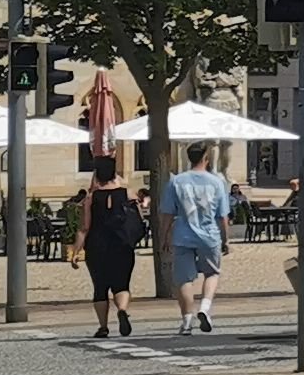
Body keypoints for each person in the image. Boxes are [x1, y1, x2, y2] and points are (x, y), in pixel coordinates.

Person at [155, 144, 239, 334]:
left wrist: (163, 236)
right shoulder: (216, 182)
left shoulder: (176, 181)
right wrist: (226, 240)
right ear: (206, 157)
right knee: (212, 273)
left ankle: (186, 320)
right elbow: (222, 216)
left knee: (184, 279)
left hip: (183, 235)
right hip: (209, 235)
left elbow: (167, 213)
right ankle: (205, 307)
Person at [79, 155, 145, 340]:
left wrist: (77, 249)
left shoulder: (91, 198)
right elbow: (137, 220)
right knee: (121, 284)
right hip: (122, 244)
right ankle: (122, 310)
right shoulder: (128, 194)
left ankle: (103, 326)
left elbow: (85, 226)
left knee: (100, 287)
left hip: (97, 245)